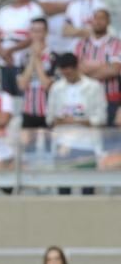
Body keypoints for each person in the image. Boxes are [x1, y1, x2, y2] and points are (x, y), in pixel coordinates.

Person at [47, 53, 107, 186]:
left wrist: (75, 121)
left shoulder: (93, 86)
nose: (67, 75)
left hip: (87, 144)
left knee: (87, 187)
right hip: (63, 144)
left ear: (76, 68)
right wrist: (61, 121)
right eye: (64, 73)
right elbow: (49, 118)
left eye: (69, 72)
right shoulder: (56, 88)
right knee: (63, 187)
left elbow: (101, 117)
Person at [0, 0, 44, 97]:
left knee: (22, 96)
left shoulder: (35, 10)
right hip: (4, 62)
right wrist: (3, 53)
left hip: (23, 62)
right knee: (6, 97)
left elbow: (35, 35)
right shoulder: (4, 11)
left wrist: (11, 50)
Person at [73, 8, 121, 127]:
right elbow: (77, 71)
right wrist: (104, 65)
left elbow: (114, 70)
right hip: (87, 100)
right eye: (95, 18)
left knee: (111, 141)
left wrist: (88, 67)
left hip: (110, 99)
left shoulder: (116, 43)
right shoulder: (82, 44)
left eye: (102, 18)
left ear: (108, 21)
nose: (98, 21)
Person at [17, 16, 55, 129]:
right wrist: (33, 57)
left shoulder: (53, 56)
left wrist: (38, 60)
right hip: (27, 111)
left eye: (40, 31)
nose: (37, 34)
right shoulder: (24, 56)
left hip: (48, 112)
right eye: (34, 31)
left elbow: (47, 85)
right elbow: (22, 85)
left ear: (46, 32)